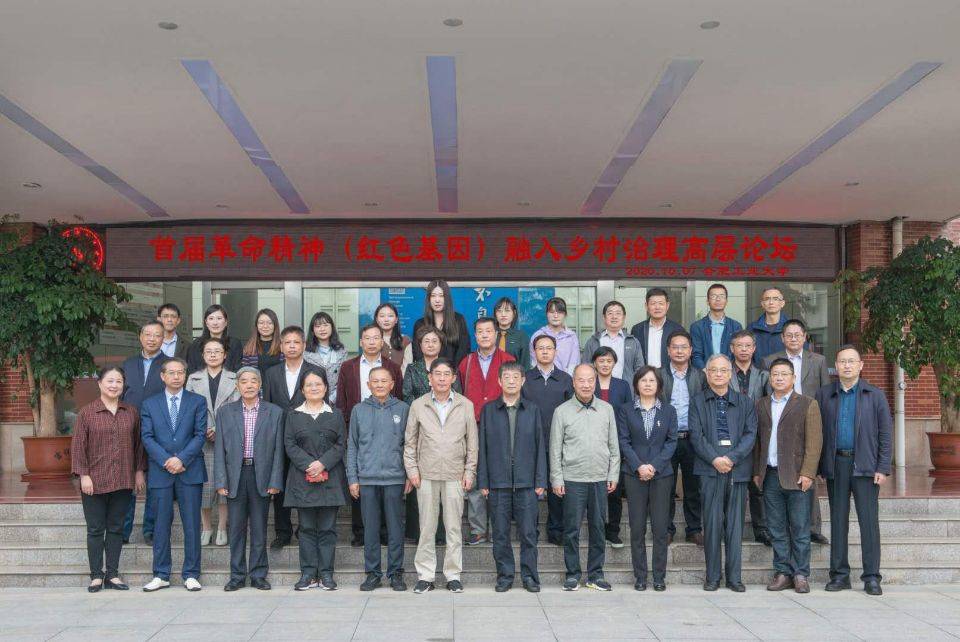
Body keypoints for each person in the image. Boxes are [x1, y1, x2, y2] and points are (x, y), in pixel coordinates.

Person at [816, 345, 892, 596]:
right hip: (836, 465)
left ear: (861, 365)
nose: (847, 366)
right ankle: (839, 575)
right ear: (835, 366)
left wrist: (883, 467)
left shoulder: (875, 395)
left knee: (868, 522)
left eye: (851, 361)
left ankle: (871, 577)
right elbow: (817, 433)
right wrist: (820, 466)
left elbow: (885, 434)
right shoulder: (824, 394)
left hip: (866, 466)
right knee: (838, 521)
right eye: (842, 362)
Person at [404, 358, 478, 594]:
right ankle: (425, 576)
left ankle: (453, 575)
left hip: (455, 474)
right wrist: (412, 471)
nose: (442, 378)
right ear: (430, 378)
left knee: (453, 528)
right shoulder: (418, 405)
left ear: (454, 378)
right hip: (426, 475)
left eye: (447, 374)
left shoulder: (465, 405)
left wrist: (469, 471)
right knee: (426, 528)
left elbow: (472, 442)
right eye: (438, 374)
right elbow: (410, 442)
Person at [71, 366, 146, 592]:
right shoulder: (87, 413)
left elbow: (138, 445)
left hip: (123, 479)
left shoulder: (131, 412)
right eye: (110, 381)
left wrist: (139, 471)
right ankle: (96, 575)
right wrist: (84, 475)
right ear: (100, 384)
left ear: (123, 385)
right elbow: (78, 447)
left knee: (116, 528)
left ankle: (112, 574)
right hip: (94, 480)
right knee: (95, 529)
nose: (114, 385)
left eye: (119, 381)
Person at [753, 358, 823, 594]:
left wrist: (808, 472)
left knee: (800, 527)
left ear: (793, 378)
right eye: (775, 374)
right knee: (776, 527)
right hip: (770, 475)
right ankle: (782, 572)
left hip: (797, 476)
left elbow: (814, 443)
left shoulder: (807, 404)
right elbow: (757, 442)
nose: (779, 378)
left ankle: (801, 574)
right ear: (770, 378)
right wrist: (757, 472)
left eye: (784, 374)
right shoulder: (761, 404)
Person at [689, 354, 757, 592]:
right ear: (706, 374)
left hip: (737, 470)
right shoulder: (697, 402)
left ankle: (734, 578)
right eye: (713, 370)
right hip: (709, 469)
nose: (718, 374)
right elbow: (696, 436)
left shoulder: (745, 402)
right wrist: (715, 459)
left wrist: (731, 458)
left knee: (735, 526)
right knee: (712, 524)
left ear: (730, 374)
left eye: (723, 370)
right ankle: (713, 577)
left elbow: (750, 435)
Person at [213, 366, 285, 591]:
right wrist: (221, 481)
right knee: (236, 529)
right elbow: (219, 449)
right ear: (237, 386)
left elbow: (278, 451)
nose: (249, 385)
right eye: (244, 381)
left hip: (261, 475)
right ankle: (236, 576)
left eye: (254, 381)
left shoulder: (274, 412)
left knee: (259, 528)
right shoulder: (225, 412)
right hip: (235, 475)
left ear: (260, 384)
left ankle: (258, 574)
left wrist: (275, 480)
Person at [477, 362, 547, 593]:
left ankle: (530, 577)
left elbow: (540, 445)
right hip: (498, 483)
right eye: (506, 377)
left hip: (527, 483)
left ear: (523, 380)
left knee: (528, 534)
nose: (511, 381)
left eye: (516, 377)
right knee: (500, 534)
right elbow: (483, 448)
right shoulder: (489, 410)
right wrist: (483, 481)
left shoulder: (532, 409)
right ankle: (505, 576)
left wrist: (540, 480)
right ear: (499, 381)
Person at [550, 364, 620, 592]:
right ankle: (572, 574)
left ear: (596, 382)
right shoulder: (562, 411)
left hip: (599, 478)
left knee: (598, 528)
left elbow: (614, 446)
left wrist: (613, 474)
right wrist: (557, 479)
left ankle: (595, 575)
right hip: (573, 478)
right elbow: (555, 449)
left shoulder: (607, 409)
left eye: (590, 380)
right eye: (581, 380)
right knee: (571, 529)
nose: (586, 384)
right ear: (573, 382)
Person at [140, 358, 207, 592]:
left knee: (192, 524)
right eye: (172, 373)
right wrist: (166, 460)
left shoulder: (197, 401)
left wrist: (182, 459)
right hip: (161, 471)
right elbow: (147, 437)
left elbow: (200, 435)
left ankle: (191, 573)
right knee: (160, 525)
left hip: (190, 470)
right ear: (163, 376)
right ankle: (161, 574)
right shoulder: (150, 404)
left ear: (185, 375)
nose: (176, 377)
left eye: (180, 373)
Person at [764, 318, 832, 545]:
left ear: (804, 337)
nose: (793, 339)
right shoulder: (770, 361)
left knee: (808, 476)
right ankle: (783, 530)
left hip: (809, 421)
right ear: (782, 338)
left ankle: (813, 527)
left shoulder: (818, 360)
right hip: (782, 424)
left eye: (797, 335)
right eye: (789, 335)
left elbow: (824, 394)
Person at [337, 323, 404, 546]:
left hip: (387, 426)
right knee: (361, 482)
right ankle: (360, 532)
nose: (372, 342)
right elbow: (342, 401)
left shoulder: (392, 367)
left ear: (382, 342)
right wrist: (346, 428)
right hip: (359, 425)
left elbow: (399, 396)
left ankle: (383, 532)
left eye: (376, 338)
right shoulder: (348, 367)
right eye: (367, 338)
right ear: (361, 342)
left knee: (383, 489)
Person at [347, 366, 411, 592]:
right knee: (370, 530)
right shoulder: (358, 410)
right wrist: (352, 478)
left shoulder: (403, 409)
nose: (380, 384)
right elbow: (352, 446)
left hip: (395, 478)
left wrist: (409, 474)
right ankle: (372, 573)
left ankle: (395, 573)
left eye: (384, 381)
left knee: (395, 529)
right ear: (368, 385)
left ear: (392, 384)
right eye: (375, 381)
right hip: (367, 479)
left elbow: (409, 445)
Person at [284, 370, 348, 591]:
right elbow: (289, 444)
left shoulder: (335, 414)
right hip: (302, 479)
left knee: (328, 528)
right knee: (307, 528)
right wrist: (309, 465)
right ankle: (308, 574)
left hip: (330, 479)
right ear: (302, 389)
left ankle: (327, 574)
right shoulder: (293, 415)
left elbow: (341, 444)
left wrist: (323, 463)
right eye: (309, 385)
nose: (314, 388)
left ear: (326, 387)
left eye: (318, 384)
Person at [616, 366, 677, 592]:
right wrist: (639, 466)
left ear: (659, 385)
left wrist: (654, 466)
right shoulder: (626, 410)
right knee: (637, 528)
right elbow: (623, 441)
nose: (648, 384)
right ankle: (640, 576)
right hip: (634, 475)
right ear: (636, 384)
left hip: (662, 475)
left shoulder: (668, 411)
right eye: (643, 380)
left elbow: (672, 442)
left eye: (652, 381)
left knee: (660, 529)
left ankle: (659, 577)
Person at [263, 326, 323, 550]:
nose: (291, 346)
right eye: (287, 342)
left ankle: (306, 528)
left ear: (304, 345)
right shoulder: (271, 373)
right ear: (281, 346)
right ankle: (283, 531)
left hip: (307, 437)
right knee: (280, 484)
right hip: (279, 436)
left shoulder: (315, 371)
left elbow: (322, 401)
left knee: (306, 483)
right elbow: (267, 406)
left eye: (296, 342)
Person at [457, 316, 515, 546]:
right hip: (472, 424)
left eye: (488, 331)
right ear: (475, 335)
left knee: (500, 474)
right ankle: (478, 529)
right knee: (473, 474)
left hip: (502, 423)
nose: (484, 335)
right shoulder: (467, 362)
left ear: (496, 334)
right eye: (480, 331)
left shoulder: (508, 360)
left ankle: (501, 527)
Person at [402, 325, 460, 544]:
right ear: (420, 345)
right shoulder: (413, 368)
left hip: (446, 428)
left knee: (444, 484)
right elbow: (407, 395)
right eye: (426, 341)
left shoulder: (448, 368)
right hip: (420, 426)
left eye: (434, 341)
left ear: (441, 344)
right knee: (420, 478)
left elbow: (457, 396)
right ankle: (417, 533)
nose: (430, 344)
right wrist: (425, 408)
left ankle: (441, 534)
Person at [185, 337, 239, 546]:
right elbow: (188, 409)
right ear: (203, 355)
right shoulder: (193, 379)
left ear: (225, 355)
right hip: (202, 440)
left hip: (228, 440)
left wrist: (220, 430)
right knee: (205, 488)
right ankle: (207, 527)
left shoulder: (235, 378)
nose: (213, 354)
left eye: (217, 351)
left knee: (225, 487)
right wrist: (203, 430)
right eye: (209, 351)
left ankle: (222, 527)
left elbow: (237, 409)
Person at [120, 321, 169, 545]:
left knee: (154, 483)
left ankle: (150, 530)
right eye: (147, 334)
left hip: (159, 431)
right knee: (127, 481)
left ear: (163, 339)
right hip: (129, 430)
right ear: (140, 337)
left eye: (157, 335)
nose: (152, 339)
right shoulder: (128, 364)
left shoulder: (169, 365)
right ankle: (123, 531)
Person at [521, 334, 573, 546]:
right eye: (540, 348)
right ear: (534, 352)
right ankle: (529, 530)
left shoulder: (566, 379)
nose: (544, 351)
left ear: (555, 351)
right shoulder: (525, 378)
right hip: (530, 443)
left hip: (557, 443)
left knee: (556, 489)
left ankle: (556, 530)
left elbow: (571, 412)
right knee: (530, 489)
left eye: (549, 348)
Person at [659, 329, 705, 545]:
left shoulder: (700, 376)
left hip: (692, 438)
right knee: (666, 487)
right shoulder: (658, 375)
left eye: (683, 347)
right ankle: (667, 529)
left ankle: (694, 529)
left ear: (691, 350)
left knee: (693, 487)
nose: (679, 351)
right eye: (675, 347)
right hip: (666, 439)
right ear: (668, 350)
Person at [730, 329, 772, 547]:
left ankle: (762, 529)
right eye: (740, 345)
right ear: (732, 348)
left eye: (748, 346)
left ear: (754, 349)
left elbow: (768, 405)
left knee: (757, 484)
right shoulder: (724, 372)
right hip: (731, 438)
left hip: (757, 438)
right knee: (732, 486)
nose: (744, 350)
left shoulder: (764, 375)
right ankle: (731, 529)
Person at [591, 346, 632, 548]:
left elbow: (628, 414)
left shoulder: (623, 386)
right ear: (595, 363)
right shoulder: (589, 384)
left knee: (614, 490)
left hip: (616, 442)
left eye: (609, 361)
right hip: (592, 441)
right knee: (595, 490)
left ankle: (613, 530)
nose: (605, 364)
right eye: (601, 361)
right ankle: (597, 529)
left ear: (614, 363)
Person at [411, 279, 471, 366]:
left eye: (441, 295)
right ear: (428, 299)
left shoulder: (458, 320)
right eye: (433, 296)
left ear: (447, 298)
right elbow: (417, 353)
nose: (437, 300)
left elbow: (464, 349)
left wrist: (451, 371)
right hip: (426, 373)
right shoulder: (420, 324)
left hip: (453, 372)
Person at [581, 300, 644, 379]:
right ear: (604, 317)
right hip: (598, 385)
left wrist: (632, 384)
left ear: (624, 317)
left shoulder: (633, 342)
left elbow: (639, 368)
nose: (614, 317)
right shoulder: (593, 341)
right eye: (610, 313)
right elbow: (585, 366)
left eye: (618, 313)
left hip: (626, 385)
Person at [690, 284, 743, 369]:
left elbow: (738, 354)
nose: (718, 299)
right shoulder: (697, 327)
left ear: (726, 301)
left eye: (721, 296)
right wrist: (705, 371)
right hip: (705, 372)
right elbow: (696, 355)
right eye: (713, 296)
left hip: (730, 373)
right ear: (707, 301)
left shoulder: (736, 326)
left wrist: (729, 372)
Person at [630, 288, 683, 369]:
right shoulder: (637, 329)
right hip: (645, 374)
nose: (657, 307)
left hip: (669, 374)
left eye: (661, 303)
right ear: (646, 306)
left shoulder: (677, 329)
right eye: (653, 303)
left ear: (667, 305)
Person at [303, 311, 348, 404]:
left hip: (335, 402)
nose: (322, 329)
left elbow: (343, 380)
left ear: (332, 327)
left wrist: (331, 399)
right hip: (311, 401)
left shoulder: (342, 351)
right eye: (318, 326)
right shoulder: (305, 353)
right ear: (313, 330)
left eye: (325, 325)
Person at [186, 304, 244, 374]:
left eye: (219, 318)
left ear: (226, 322)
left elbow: (237, 370)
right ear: (206, 323)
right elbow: (191, 369)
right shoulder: (196, 344)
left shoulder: (234, 344)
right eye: (211, 318)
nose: (215, 323)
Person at [529, 297, 580, 375]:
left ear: (565, 314)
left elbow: (574, 363)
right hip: (541, 379)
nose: (555, 316)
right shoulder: (537, 335)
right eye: (552, 312)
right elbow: (533, 362)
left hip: (566, 380)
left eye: (559, 312)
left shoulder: (572, 337)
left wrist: (567, 379)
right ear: (546, 314)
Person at [749, 286, 788, 365]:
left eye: (775, 299)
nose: (771, 302)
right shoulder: (752, 328)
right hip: (759, 372)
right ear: (762, 304)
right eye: (767, 299)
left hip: (785, 372)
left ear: (782, 303)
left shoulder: (791, 328)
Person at [241, 308, 284, 374]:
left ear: (275, 325)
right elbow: (244, 372)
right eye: (261, 323)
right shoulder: (249, 347)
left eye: (269, 323)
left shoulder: (283, 346)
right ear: (256, 325)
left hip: (278, 381)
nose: (265, 326)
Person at [374, 302, 412, 373]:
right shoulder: (372, 340)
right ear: (377, 320)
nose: (386, 319)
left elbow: (407, 369)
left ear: (396, 320)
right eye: (382, 316)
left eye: (390, 316)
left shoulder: (405, 340)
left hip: (400, 379)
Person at [493, 296, 529, 369]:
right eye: (499, 311)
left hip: (514, 375)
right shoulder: (491, 335)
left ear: (514, 313)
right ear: (495, 314)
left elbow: (525, 365)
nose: (503, 314)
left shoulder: (521, 336)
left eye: (507, 310)